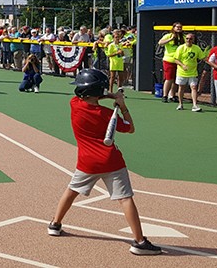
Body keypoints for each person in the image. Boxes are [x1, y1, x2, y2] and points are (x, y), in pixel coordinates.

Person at [48, 69, 162, 256]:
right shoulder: (108, 114)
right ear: (99, 91)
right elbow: (130, 128)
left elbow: (89, 96)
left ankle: (55, 224)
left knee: (71, 191)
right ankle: (140, 242)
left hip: (86, 162)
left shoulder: (75, 104)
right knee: (125, 198)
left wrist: (109, 96)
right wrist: (121, 105)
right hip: (111, 162)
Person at [174, 32, 206, 112]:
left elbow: (203, 57)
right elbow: (176, 60)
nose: (188, 40)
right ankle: (180, 104)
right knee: (181, 88)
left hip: (193, 72)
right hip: (182, 72)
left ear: (193, 40)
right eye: (187, 38)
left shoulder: (196, 48)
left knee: (194, 87)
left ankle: (195, 105)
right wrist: (183, 65)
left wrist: (212, 62)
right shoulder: (180, 48)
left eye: (190, 39)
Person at [157, 22, 184, 103]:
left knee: (176, 79)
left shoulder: (183, 37)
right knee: (169, 78)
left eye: (180, 27)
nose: (179, 28)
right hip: (169, 60)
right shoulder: (169, 35)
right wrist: (170, 39)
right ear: (173, 28)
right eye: (177, 27)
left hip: (179, 61)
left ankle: (172, 95)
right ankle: (165, 95)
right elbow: (160, 42)